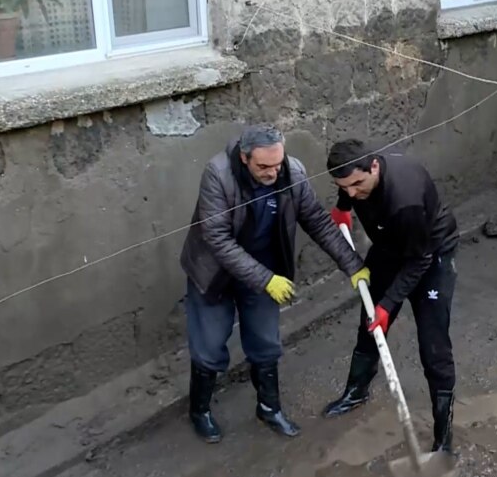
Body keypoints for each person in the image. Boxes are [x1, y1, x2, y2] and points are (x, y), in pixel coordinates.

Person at [179, 126, 371, 443]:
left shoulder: (291, 173)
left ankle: (269, 408)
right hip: (215, 272)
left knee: (265, 343)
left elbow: (318, 222)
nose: (273, 172)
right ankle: (199, 411)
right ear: (244, 158)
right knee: (210, 345)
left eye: (277, 164)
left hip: (265, 271)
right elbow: (217, 239)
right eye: (263, 167)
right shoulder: (219, 174)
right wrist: (266, 279)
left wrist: (353, 265)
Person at [322, 139, 461, 453]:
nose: (353, 192)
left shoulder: (405, 199)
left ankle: (443, 435)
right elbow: (349, 189)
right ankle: (355, 392)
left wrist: (387, 305)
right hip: (388, 247)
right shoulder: (355, 179)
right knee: (369, 327)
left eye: (357, 184)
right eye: (345, 187)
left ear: (374, 166)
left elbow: (419, 262)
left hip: (429, 254)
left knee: (433, 344)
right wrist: (343, 208)